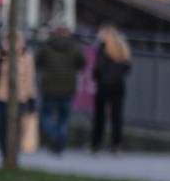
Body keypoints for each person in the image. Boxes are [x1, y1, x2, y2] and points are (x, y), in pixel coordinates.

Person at [35, 22, 84, 156]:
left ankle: (53, 135)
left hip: (49, 87)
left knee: (46, 115)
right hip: (68, 87)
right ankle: (60, 146)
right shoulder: (75, 47)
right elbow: (82, 63)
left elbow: (37, 62)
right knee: (64, 118)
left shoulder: (46, 46)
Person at [90, 23, 132, 153]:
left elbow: (98, 68)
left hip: (104, 85)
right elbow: (127, 67)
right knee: (117, 116)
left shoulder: (103, 48)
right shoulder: (122, 48)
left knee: (100, 116)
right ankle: (117, 144)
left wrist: (97, 78)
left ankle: (96, 144)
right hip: (118, 85)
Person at [0, 31, 36, 152]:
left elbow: (29, 79)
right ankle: (4, 148)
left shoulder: (26, 56)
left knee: (16, 124)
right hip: (2, 96)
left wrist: (31, 97)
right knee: (3, 123)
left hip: (20, 97)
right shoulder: (1, 54)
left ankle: (13, 148)